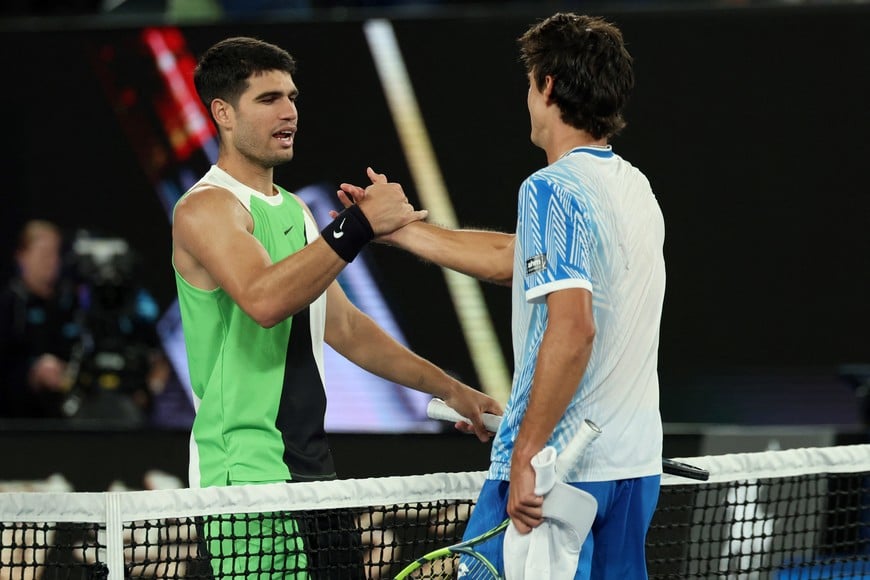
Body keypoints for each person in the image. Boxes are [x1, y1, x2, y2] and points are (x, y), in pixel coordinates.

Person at [340, 13, 665, 579]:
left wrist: (525, 452)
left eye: (530, 82)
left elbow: (573, 330)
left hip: (557, 471)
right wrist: (394, 229)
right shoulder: (635, 188)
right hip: (633, 470)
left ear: (549, 86)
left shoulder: (550, 189)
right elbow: (508, 259)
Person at [171, 36, 501, 578]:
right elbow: (264, 300)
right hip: (245, 481)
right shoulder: (206, 208)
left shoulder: (297, 210)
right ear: (223, 114)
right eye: (269, 98)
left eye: (292, 97)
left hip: (312, 473)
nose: (289, 112)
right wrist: (358, 226)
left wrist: (451, 388)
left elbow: (345, 326)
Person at [0, 220, 79, 418]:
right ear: (22, 256)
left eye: (55, 253)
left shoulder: (69, 304)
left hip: (65, 419)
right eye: (43, 252)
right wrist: (32, 374)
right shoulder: (9, 305)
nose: (50, 261)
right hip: (16, 422)